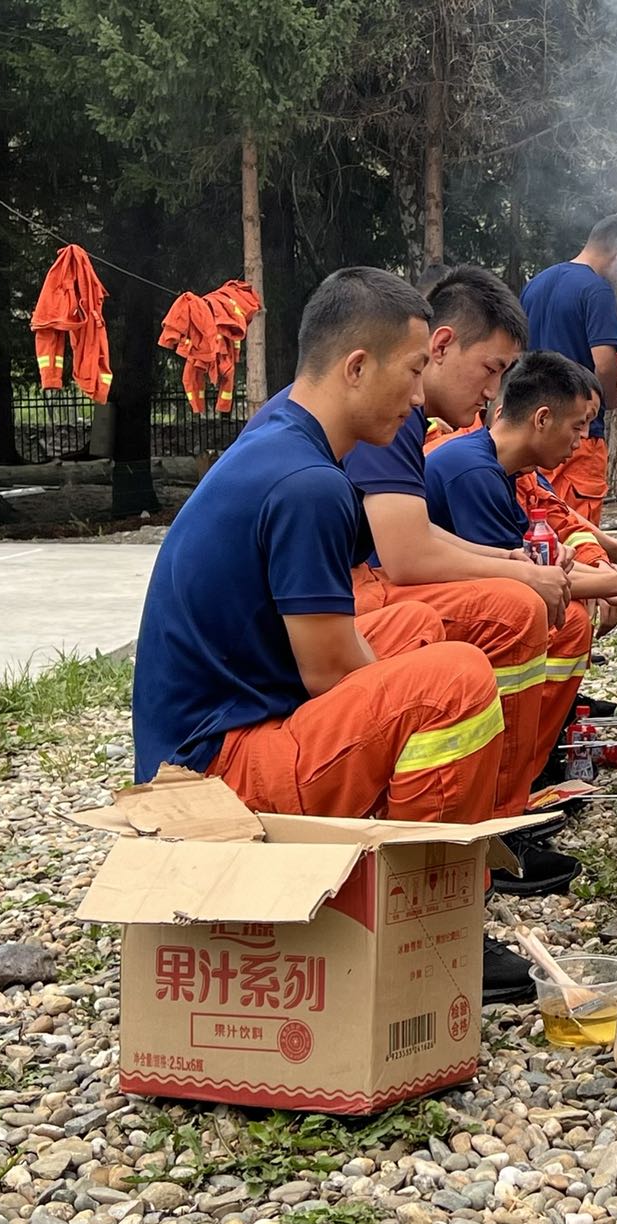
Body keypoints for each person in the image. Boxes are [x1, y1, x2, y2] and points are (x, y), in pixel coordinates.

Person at [132, 266, 506, 830]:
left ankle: (390, 816)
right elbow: (331, 677)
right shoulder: (307, 482)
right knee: (454, 681)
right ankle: (419, 877)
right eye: (412, 371)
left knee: (417, 629)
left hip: (218, 721)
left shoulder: (283, 430)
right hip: (212, 771)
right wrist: (405, 697)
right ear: (356, 367)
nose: (417, 395)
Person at [341, 265, 594, 877]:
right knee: (507, 619)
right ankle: (465, 859)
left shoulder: (400, 420)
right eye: (493, 368)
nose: (494, 390)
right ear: (443, 346)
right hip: (356, 597)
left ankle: (504, 814)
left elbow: (416, 535)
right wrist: (520, 577)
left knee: (530, 606)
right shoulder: (399, 421)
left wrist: (509, 563)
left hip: (364, 590)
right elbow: (404, 556)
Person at [425, 351, 617, 627]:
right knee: (540, 609)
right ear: (542, 419)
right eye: (578, 425)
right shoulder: (475, 472)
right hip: (421, 607)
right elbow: (519, 576)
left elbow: (531, 565)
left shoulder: (504, 470)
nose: (582, 439)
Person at [520, 214, 617, 524]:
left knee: (538, 524)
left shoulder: (536, 284)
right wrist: (610, 399)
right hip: (576, 437)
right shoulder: (597, 290)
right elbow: (604, 364)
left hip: (532, 432)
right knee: (575, 533)